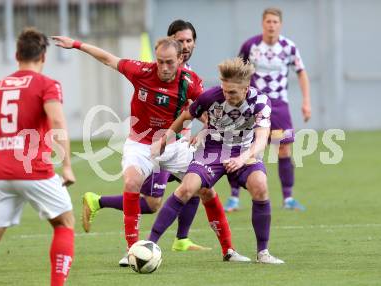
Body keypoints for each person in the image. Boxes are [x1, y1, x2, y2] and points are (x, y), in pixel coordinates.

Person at [81, 20, 208, 259]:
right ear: (169, 43)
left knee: (197, 185)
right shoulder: (157, 70)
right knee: (152, 203)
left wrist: (203, 127)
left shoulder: (190, 76)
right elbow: (111, 60)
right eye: (180, 41)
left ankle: (182, 239)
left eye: (189, 40)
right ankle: (103, 208)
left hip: (176, 145)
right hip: (153, 145)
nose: (185, 45)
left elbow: (200, 107)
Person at [0, 28, 75, 286]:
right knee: (64, 223)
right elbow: (57, 121)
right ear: (43, 56)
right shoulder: (48, 85)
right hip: (34, 168)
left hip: (0, 171)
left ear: (16, 55)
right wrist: (66, 166)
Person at [149, 57, 284, 264]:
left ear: (246, 89)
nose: (226, 95)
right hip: (211, 151)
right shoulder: (210, 96)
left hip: (244, 152)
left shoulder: (261, 102)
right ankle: (149, 245)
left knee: (260, 186)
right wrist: (164, 140)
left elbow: (262, 139)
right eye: (224, 89)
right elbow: (185, 116)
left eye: (232, 92)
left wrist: (242, 158)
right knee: (186, 188)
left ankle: (263, 252)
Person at [224, 7, 311, 212]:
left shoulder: (289, 47)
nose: (271, 25)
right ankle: (234, 198)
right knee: (243, 146)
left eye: (275, 22)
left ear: (280, 24)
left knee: (284, 148)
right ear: (262, 23)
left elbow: (301, 73)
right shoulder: (250, 46)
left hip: (279, 104)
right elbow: (237, 71)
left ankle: (288, 198)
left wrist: (306, 102)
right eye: (268, 21)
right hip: (253, 104)